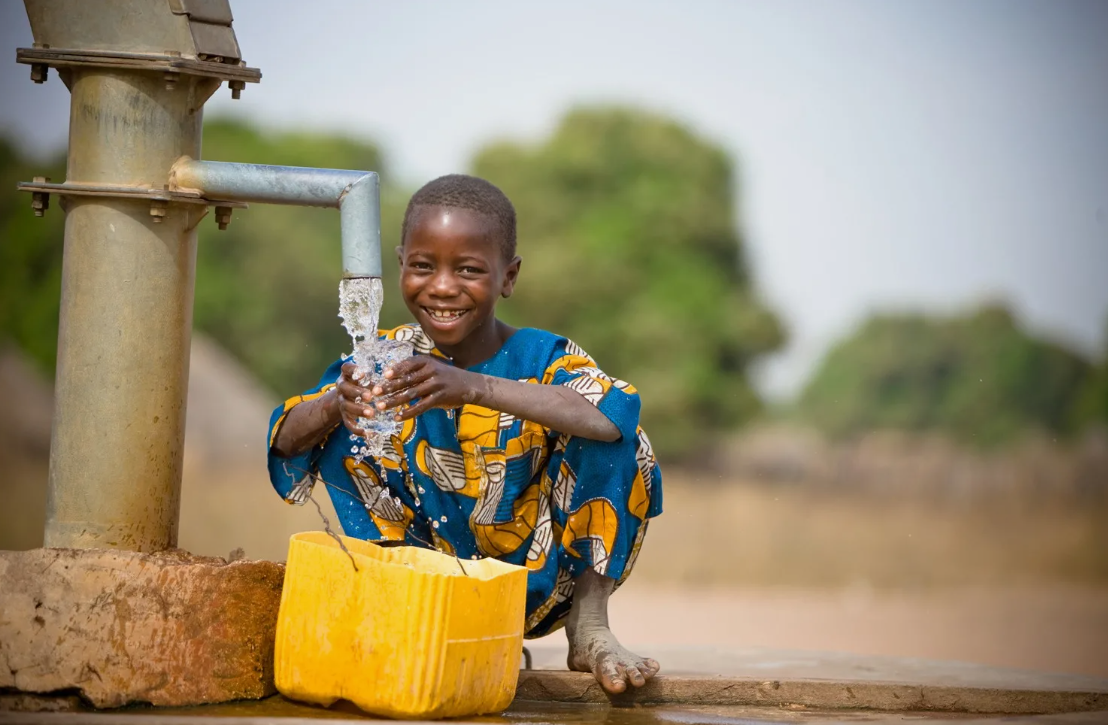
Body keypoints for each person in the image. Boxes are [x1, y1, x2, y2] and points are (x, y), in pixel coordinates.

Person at [268, 174, 663, 694]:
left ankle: (589, 627)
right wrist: (333, 404)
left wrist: (473, 388)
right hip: (429, 580)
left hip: (538, 575)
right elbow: (285, 438)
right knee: (342, 423)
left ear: (509, 276)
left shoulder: (543, 357)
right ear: (400, 264)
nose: (443, 287)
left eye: (470, 270)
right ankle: (413, 612)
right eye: (423, 266)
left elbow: (610, 414)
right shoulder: (386, 355)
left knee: (622, 442)